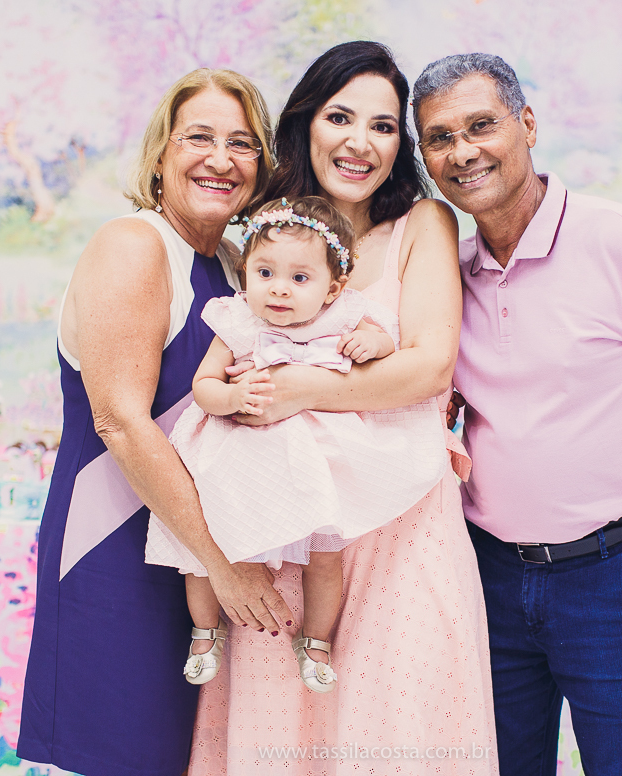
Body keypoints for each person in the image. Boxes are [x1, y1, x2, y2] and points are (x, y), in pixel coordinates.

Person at [411, 53, 622, 776]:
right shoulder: (452, 271)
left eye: (482, 125)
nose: (463, 152)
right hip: (491, 575)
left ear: (527, 124)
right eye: (439, 138)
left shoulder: (621, 241)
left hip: (620, 575)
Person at [188, 41, 498, 775]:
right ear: (307, 123)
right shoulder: (263, 229)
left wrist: (305, 391)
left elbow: (428, 367)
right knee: (284, 735)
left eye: (385, 126)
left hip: (403, 525)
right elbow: (227, 352)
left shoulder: (424, 223)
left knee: (405, 729)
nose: (361, 141)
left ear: (402, 144)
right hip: (287, 524)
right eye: (341, 117)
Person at [17, 68, 296, 776]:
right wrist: (223, 563)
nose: (220, 158)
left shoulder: (237, 267)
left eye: (242, 143)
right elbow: (120, 421)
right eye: (198, 136)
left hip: (192, 566)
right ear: (161, 155)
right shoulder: (134, 245)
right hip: (118, 555)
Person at [144, 195, 448, 694]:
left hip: (311, 464)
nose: (278, 290)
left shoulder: (346, 316)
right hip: (239, 454)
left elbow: (387, 341)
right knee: (205, 548)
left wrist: (376, 345)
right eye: (264, 273)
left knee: (324, 557)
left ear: (333, 289)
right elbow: (204, 386)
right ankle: (205, 632)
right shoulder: (240, 321)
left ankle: (317, 642)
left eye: (299, 279)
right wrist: (230, 394)